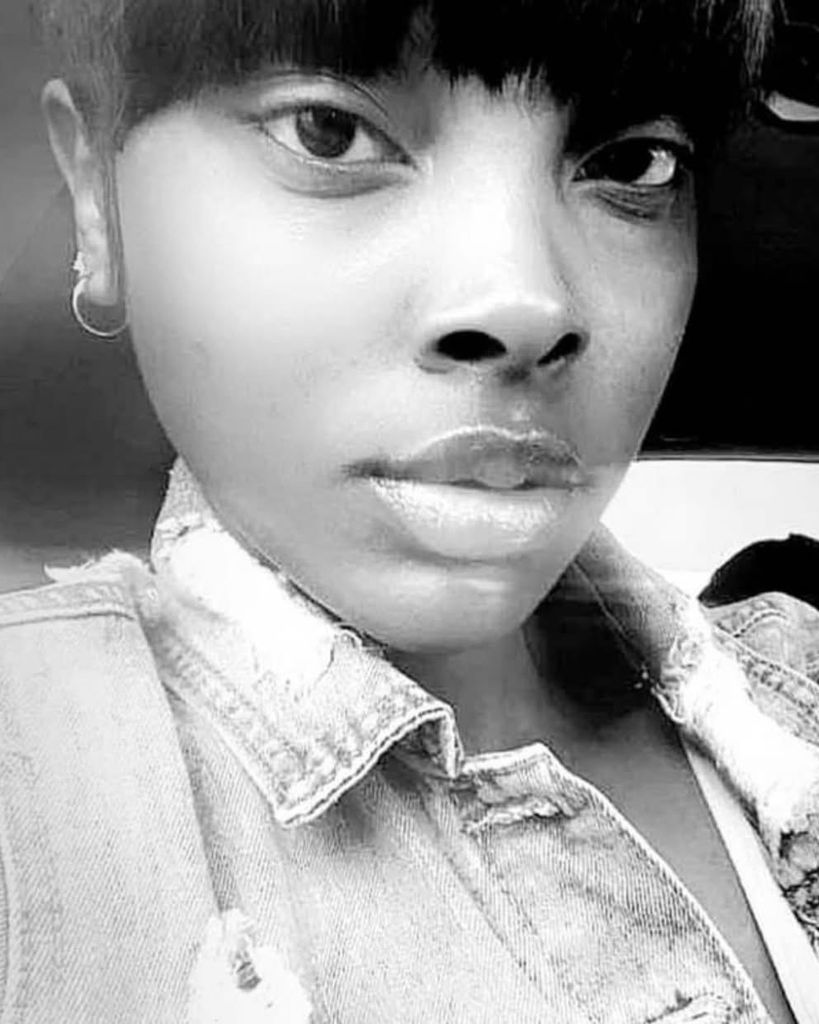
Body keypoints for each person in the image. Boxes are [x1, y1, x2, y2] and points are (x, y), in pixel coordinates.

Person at [1, 0, 816, 1020]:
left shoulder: (797, 677)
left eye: (632, 163)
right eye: (329, 133)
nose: (525, 304)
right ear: (94, 194)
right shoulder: (32, 786)